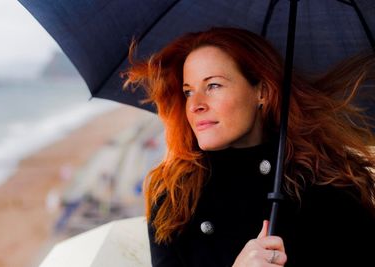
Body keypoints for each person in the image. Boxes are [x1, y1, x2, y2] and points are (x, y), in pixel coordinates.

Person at [124, 27, 375, 267]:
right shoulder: (174, 196)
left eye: (213, 86)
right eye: (188, 92)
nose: (195, 105)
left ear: (262, 92)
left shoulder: (324, 185)